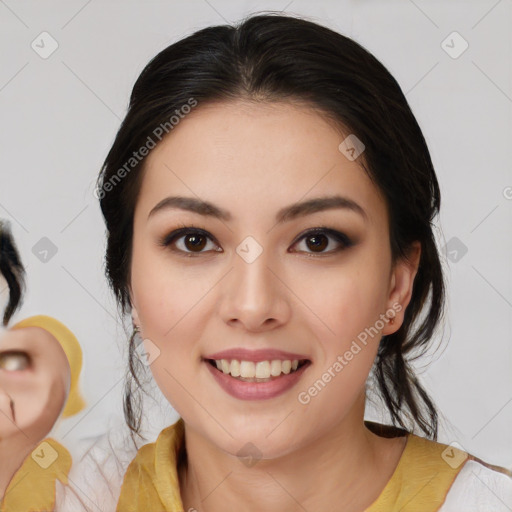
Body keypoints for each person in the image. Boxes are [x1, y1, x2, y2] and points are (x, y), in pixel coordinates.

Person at [90, 12, 511, 511]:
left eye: (316, 241)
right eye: (195, 241)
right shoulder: (48, 496)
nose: (252, 307)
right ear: (129, 278)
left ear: (398, 285)